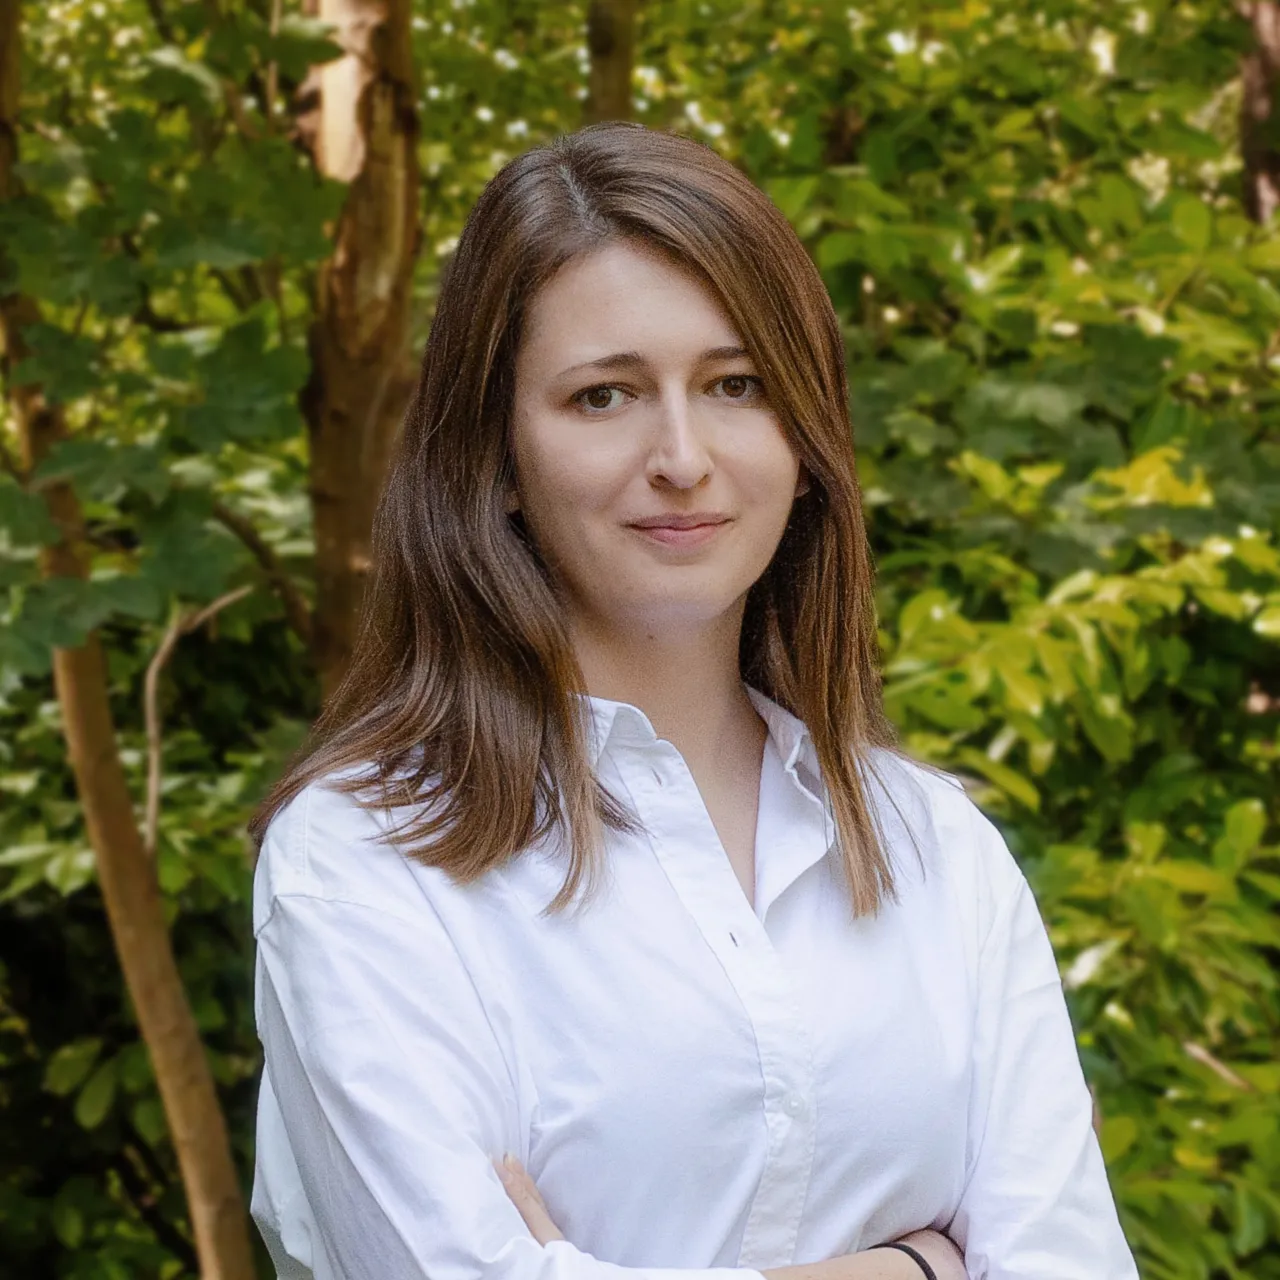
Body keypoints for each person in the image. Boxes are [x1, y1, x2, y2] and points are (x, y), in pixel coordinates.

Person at [247, 121, 1139, 1280]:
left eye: (734, 384)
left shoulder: (935, 848)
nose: (681, 454)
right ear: (496, 458)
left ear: (804, 436)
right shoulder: (368, 858)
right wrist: (916, 1266)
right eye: (603, 395)